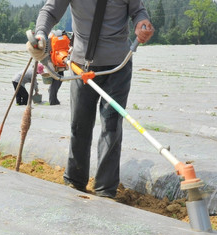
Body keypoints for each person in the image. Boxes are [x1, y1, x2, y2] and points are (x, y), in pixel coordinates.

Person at [28, 0, 154, 198]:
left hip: (117, 66)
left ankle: (105, 189)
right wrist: (41, 34)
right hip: (81, 65)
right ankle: (75, 181)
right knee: (80, 123)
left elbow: (138, 11)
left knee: (111, 126)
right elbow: (51, 11)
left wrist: (142, 23)